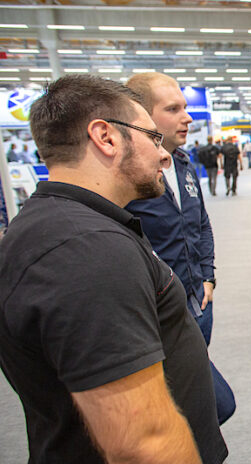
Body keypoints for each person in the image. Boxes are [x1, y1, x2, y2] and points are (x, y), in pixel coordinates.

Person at [0, 74, 227, 463]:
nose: (164, 154)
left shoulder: (73, 226)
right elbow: (143, 443)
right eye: (152, 138)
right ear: (106, 138)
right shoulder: (86, 253)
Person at [125, 72, 235, 425]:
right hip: (161, 315)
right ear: (140, 115)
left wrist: (208, 277)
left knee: (192, 404)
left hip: (199, 301)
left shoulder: (185, 165)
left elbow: (200, 224)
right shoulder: (129, 177)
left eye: (185, 107)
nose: (187, 117)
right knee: (212, 406)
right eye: (173, 109)